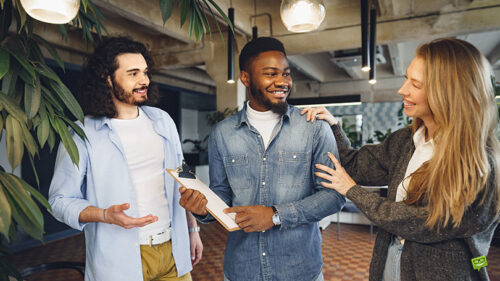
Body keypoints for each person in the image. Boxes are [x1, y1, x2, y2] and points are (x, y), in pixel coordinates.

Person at [303, 38, 500, 281]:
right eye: (406, 78)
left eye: (415, 84)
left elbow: (427, 223)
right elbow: (356, 165)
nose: (402, 89)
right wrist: (334, 126)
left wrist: (352, 191)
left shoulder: (481, 162)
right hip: (392, 258)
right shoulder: (406, 141)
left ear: (447, 92)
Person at [178, 37, 345, 281]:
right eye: (270, 74)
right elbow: (222, 193)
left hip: (299, 271)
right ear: (245, 78)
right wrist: (203, 209)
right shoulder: (222, 133)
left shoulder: (315, 128)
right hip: (242, 270)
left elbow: (334, 196)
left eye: (286, 74)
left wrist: (276, 215)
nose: (282, 82)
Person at [48, 37, 203, 281]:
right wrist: (105, 215)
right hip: (119, 263)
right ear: (107, 78)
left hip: (174, 250)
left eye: (145, 72)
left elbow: (182, 176)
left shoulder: (162, 120)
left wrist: (193, 228)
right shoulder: (82, 132)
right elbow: (59, 200)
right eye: (133, 74)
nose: (144, 81)